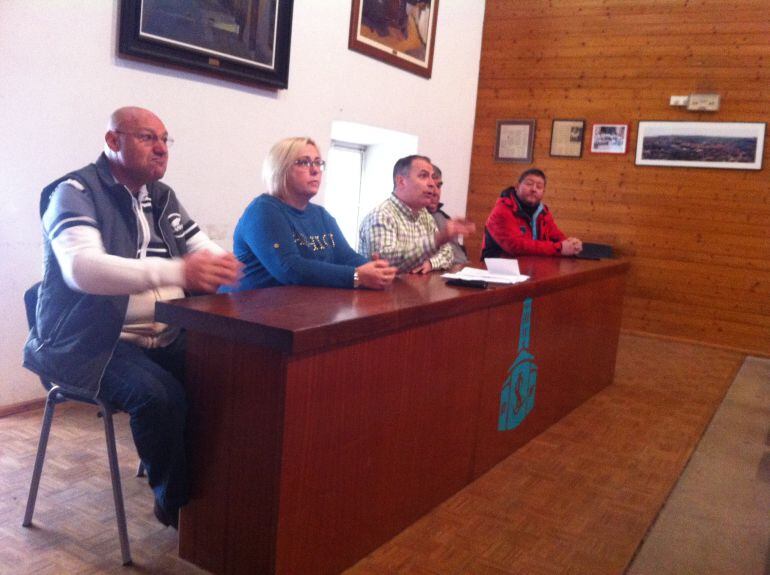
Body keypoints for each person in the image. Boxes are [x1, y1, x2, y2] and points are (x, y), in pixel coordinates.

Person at [23, 106, 241, 529]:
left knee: (229, 377)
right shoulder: (74, 191)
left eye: (165, 140)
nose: (161, 148)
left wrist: (223, 263)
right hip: (90, 341)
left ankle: (217, 492)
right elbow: (82, 269)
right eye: (147, 138)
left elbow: (200, 245)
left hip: (164, 331)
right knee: (160, 397)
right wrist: (179, 271)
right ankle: (177, 506)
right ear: (112, 141)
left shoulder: (162, 197)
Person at [225, 137, 396, 291]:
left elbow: (345, 256)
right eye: (304, 162)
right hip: (252, 314)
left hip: (302, 309)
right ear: (280, 169)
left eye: (318, 163)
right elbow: (289, 268)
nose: (315, 170)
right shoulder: (263, 211)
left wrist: (376, 269)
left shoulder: (321, 215)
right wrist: (357, 276)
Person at [359, 154, 475, 273]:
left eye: (431, 177)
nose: (432, 184)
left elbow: (447, 252)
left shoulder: (424, 215)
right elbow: (386, 262)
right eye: (423, 176)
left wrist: (431, 263)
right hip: (384, 290)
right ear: (401, 181)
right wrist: (437, 239)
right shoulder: (381, 216)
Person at [482, 168, 582, 259]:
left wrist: (571, 244)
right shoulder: (502, 210)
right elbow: (515, 246)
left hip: (532, 267)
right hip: (499, 271)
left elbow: (556, 236)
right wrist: (559, 248)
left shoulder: (543, 212)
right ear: (517, 186)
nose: (534, 189)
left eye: (539, 186)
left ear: (543, 192)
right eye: (529, 184)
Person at [427, 164, 469, 268]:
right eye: (430, 186)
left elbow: (457, 255)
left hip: (460, 270)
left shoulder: (444, 217)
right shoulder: (414, 218)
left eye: (439, 186)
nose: (436, 192)